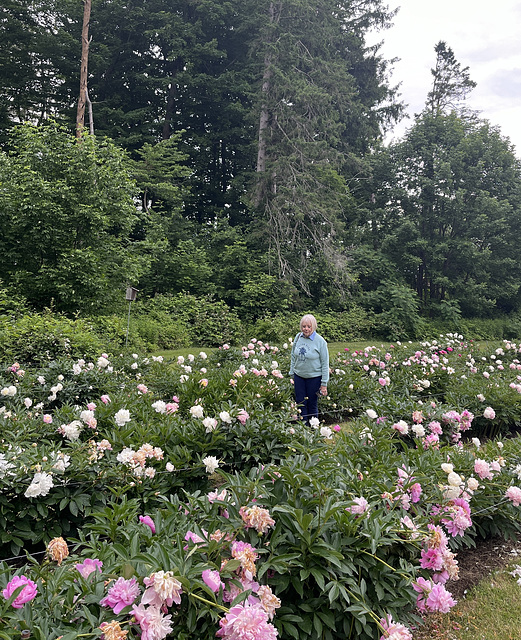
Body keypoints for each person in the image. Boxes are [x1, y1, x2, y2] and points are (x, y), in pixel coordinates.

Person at [289, 314, 329, 424]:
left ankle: (313, 429)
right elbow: (293, 356)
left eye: (309, 326)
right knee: (300, 403)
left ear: (313, 327)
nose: (306, 329)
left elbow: (325, 364)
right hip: (299, 377)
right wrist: (292, 372)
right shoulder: (298, 337)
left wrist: (324, 383)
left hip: (314, 378)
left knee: (312, 404)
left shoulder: (320, 342)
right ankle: (302, 427)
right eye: (304, 326)